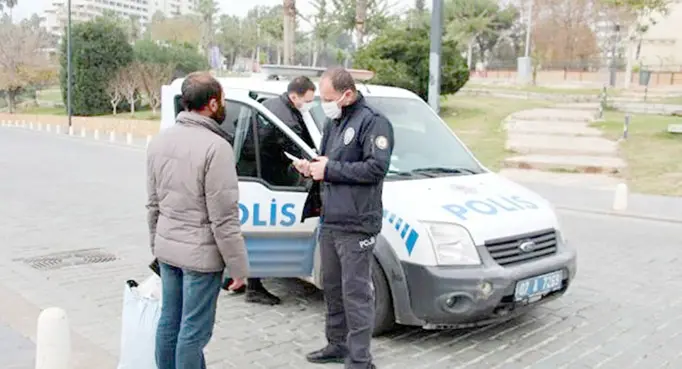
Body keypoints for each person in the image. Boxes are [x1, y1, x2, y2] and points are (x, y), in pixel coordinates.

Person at [146, 72, 250, 369]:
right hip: (200, 258)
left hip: (168, 252)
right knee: (193, 331)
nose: (224, 105)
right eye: (224, 99)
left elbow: (152, 205)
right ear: (213, 102)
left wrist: (157, 245)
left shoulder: (159, 141)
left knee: (169, 321)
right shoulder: (216, 148)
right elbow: (225, 218)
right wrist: (239, 269)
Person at [295, 67, 394, 369]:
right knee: (333, 287)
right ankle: (336, 344)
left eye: (328, 98)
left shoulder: (374, 123)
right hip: (331, 219)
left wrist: (331, 170)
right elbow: (329, 161)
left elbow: (376, 169)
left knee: (356, 293)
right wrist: (311, 166)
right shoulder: (334, 121)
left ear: (347, 94)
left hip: (356, 224)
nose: (325, 104)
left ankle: (360, 359)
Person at [230, 76, 317, 306]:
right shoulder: (286, 116)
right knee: (265, 231)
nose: (310, 103)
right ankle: (254, 287)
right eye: (308, 99)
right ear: (294, 96)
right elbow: (300, 147)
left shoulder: (271, 104)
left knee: (254, 233)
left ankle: (239, 277)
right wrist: (313, 163)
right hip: (264, 175)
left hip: (259, 169)